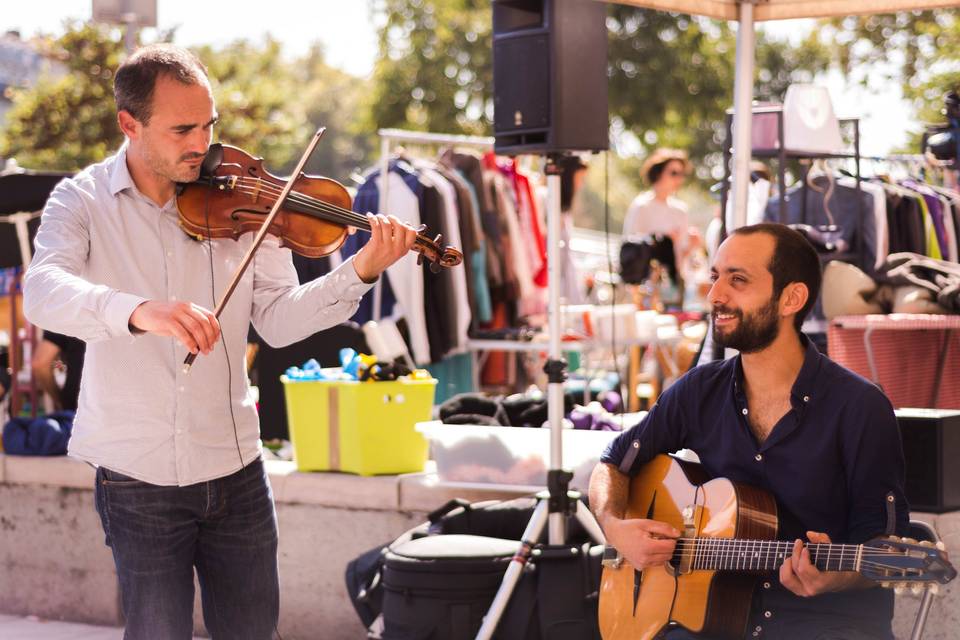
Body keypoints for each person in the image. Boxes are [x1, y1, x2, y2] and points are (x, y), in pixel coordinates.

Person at [22, 44, 416, 640]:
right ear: (129, 124)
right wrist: (139, 311)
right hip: (136, 475)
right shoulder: (79, 202)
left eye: (209, 124)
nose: (202, 143)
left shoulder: (245, 199)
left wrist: (356, 272)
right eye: (182, 128)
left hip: (235, 469)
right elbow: (43, 292)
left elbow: (279, 321)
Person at [589, 222, 909, 640]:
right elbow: (613, 463)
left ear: (791, 298)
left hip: (825, 624)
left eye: (737, 280)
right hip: (708, 621)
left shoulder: (860, 407)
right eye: (715, 277)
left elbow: (884, 546)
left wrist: (835, 577)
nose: (715, 295)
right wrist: (614, 525)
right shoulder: (698, 391)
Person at [622, 148, 692, 272]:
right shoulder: (641, 206)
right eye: (674, 173)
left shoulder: (681, 210)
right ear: (659, 173)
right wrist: (661, 240)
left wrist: (692, 245)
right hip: (645, 281)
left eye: (682, 174)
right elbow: (630, 247)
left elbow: (680, 257)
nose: (678, 179)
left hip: (671, 284)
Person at [32, 330, 85, 411]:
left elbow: (40, 364)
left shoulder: (66, 318)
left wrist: (59, 400)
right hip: (109, 401)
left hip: (78, 402)